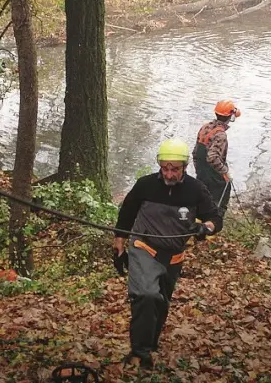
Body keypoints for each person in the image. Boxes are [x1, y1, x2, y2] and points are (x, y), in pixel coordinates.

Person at [112, 138, 223, 370]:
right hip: (144, 248)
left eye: (174, 169)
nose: (169, 174)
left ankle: (149, 344)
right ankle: (139, 353)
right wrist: (119, 242)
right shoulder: (145, 185)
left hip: (173, 257)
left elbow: (215, 218)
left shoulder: (195, 189)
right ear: (160, 165)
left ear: (184, 167)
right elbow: (128, 212)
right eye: (165, 168)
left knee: (161, 303)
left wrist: (206, 228)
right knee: (146, 295)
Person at [192, 100, 240, 215]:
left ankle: (198, 219)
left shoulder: (205, 127)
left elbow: (195, 152)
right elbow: (212, 157)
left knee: (201, 197)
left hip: (201, 170)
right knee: (220, 196)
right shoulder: (221, 134)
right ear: (230, 116)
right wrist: (225, 171)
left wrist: (198, 169)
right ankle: (215, 222)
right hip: (213, 174)